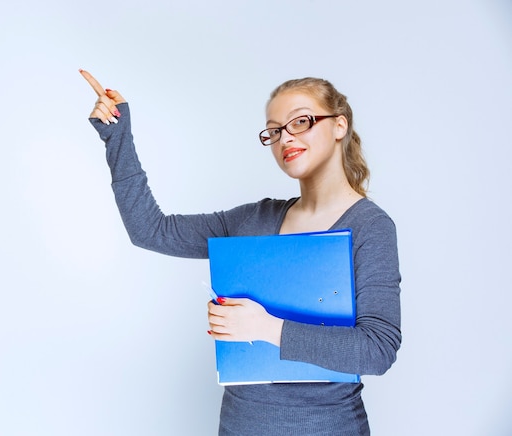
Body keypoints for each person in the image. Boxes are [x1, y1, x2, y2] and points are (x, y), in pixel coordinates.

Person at [79, 69, 401, 436]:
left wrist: (263, 327)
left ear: (339, 125)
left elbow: (377, 349)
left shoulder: (370, 227)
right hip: (239, 426)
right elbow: (151, 230)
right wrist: (117, 137)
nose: (285, 139)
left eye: (301, 121)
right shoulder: (252, 220)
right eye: (275, 130)